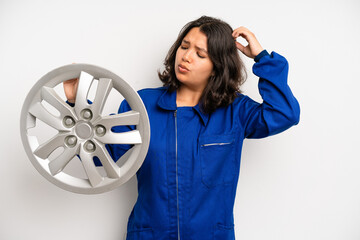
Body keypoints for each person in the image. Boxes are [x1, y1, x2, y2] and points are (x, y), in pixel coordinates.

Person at [64, 16, 300, 240]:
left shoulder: (235, 110)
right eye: (184, 46)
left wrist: (262, 57)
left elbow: (284, 114)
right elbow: (103, 158)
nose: (186, 57)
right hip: (149, 235)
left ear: (217, 66)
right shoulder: (143, 105)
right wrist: (78, 103)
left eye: (200, 54)